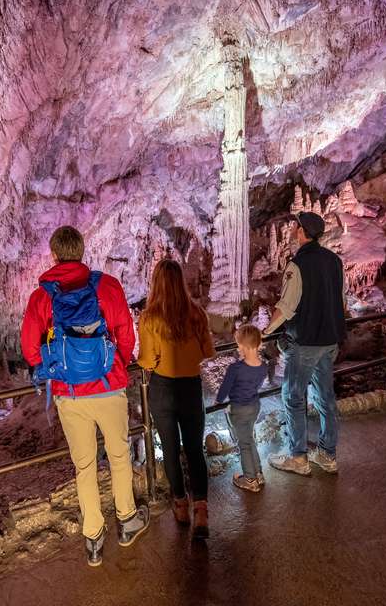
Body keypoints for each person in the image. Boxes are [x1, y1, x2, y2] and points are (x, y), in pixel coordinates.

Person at [21, 225, 149, 566]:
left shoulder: (42, 297)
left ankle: (93, 537)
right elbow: (126, 333)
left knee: (85, 466)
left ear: (54, 255)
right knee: (120, 457)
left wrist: (51, 369)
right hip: (109, 388)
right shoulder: (105, 286)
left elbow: (29, 347)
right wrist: (117, 365)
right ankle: (127, 520)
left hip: (70, 395)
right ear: (81, 251)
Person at [263, 211, 346, 476]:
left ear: (301, 232)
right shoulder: (334, 261)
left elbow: (286, 308)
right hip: (330, 340)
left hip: (306, 341)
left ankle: (298, 456)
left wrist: (265, 331)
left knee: (293, 396)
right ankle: (327, 454)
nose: (292, 229)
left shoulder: (297, 265)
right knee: (325, 397)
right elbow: (339, 300)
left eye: (295, 226)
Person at [137, 259, 215, 538]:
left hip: (162, 388)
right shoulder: (196, 313)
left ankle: (180, 505)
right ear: (181, 282)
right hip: (190, 387)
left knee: (170, 449)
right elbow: (208, 351)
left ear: (156, 284)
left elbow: (146, 361)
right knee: (194, 449)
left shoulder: (148, 318)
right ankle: (202, 511)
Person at [215, 323, 267, 493]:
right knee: (249, 439)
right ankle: (258, 472)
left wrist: (219, 400)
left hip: (239, 409)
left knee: (243, 443)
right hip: (254, 406)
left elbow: (225, 389)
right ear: (259, 344)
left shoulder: (235, 368)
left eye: (238, 345)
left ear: (243, 346)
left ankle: (250, 479)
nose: (238, 348)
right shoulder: (263, 366)